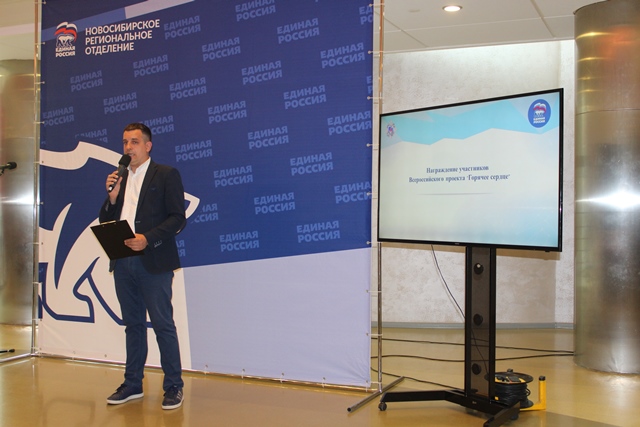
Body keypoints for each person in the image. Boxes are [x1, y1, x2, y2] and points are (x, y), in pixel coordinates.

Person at [99, 122, 186, 410]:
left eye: (134, 142)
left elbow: (177, 218)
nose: (128, 147)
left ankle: (173, 386)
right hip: (122, 261)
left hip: (153, 260)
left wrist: (147, 239)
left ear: (148, 146)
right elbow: (105, 219)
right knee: (133, 325)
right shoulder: (120, 178)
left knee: (162, 324)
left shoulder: (166, 174)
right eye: (125, 142)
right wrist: (112, 198)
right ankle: (132, 383)